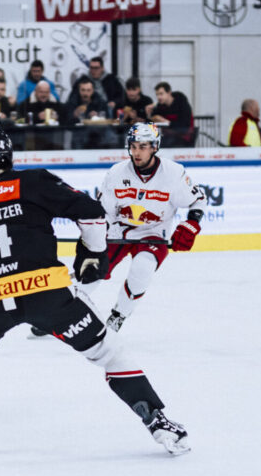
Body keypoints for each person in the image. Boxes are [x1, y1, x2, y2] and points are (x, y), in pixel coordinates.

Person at [0, 127, 190, 457]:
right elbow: (91, 212)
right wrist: (93, 253)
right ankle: (159, 422)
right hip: (47, 292)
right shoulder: (32, 181)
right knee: (109, 353)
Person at [78, 123, 206, 333]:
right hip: (118, 232)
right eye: (134, 146)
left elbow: (199, 199)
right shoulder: (117, 172)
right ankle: (61, 314)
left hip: (153, 235)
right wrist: (96, 233)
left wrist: (191, 224)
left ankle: (118, 316)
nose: (137, 152)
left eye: (143, 146)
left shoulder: (174, 173)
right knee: (91, 274)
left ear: (155, 147)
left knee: (142, 269)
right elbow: (104, 211)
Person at [150, 81, 194, 146]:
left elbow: (184, 123)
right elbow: (153, 116)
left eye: (161, 94)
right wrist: (151, 114)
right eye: (157, 94)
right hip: (169, 137)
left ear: (169, 93)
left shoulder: (182, 103)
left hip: (184, 137)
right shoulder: (160, 105)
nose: (158, 97)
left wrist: (165, 121)